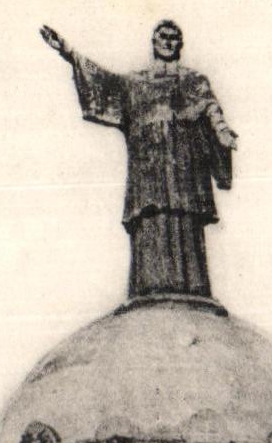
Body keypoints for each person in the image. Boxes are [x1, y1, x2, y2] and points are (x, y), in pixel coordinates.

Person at [40, 21, 238, 300]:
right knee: (151, 219)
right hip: (150, 172)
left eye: (174, 38)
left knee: (184, 222)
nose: (168, 42)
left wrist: (223, 134)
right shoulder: (135, 83)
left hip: (184, 171)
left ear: (180, 44)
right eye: (163, 37)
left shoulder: (195, 82)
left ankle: (190, 289)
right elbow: (103, 83)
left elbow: (212, 111)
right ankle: (150, 287)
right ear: (154, 42)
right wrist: (69, 54)